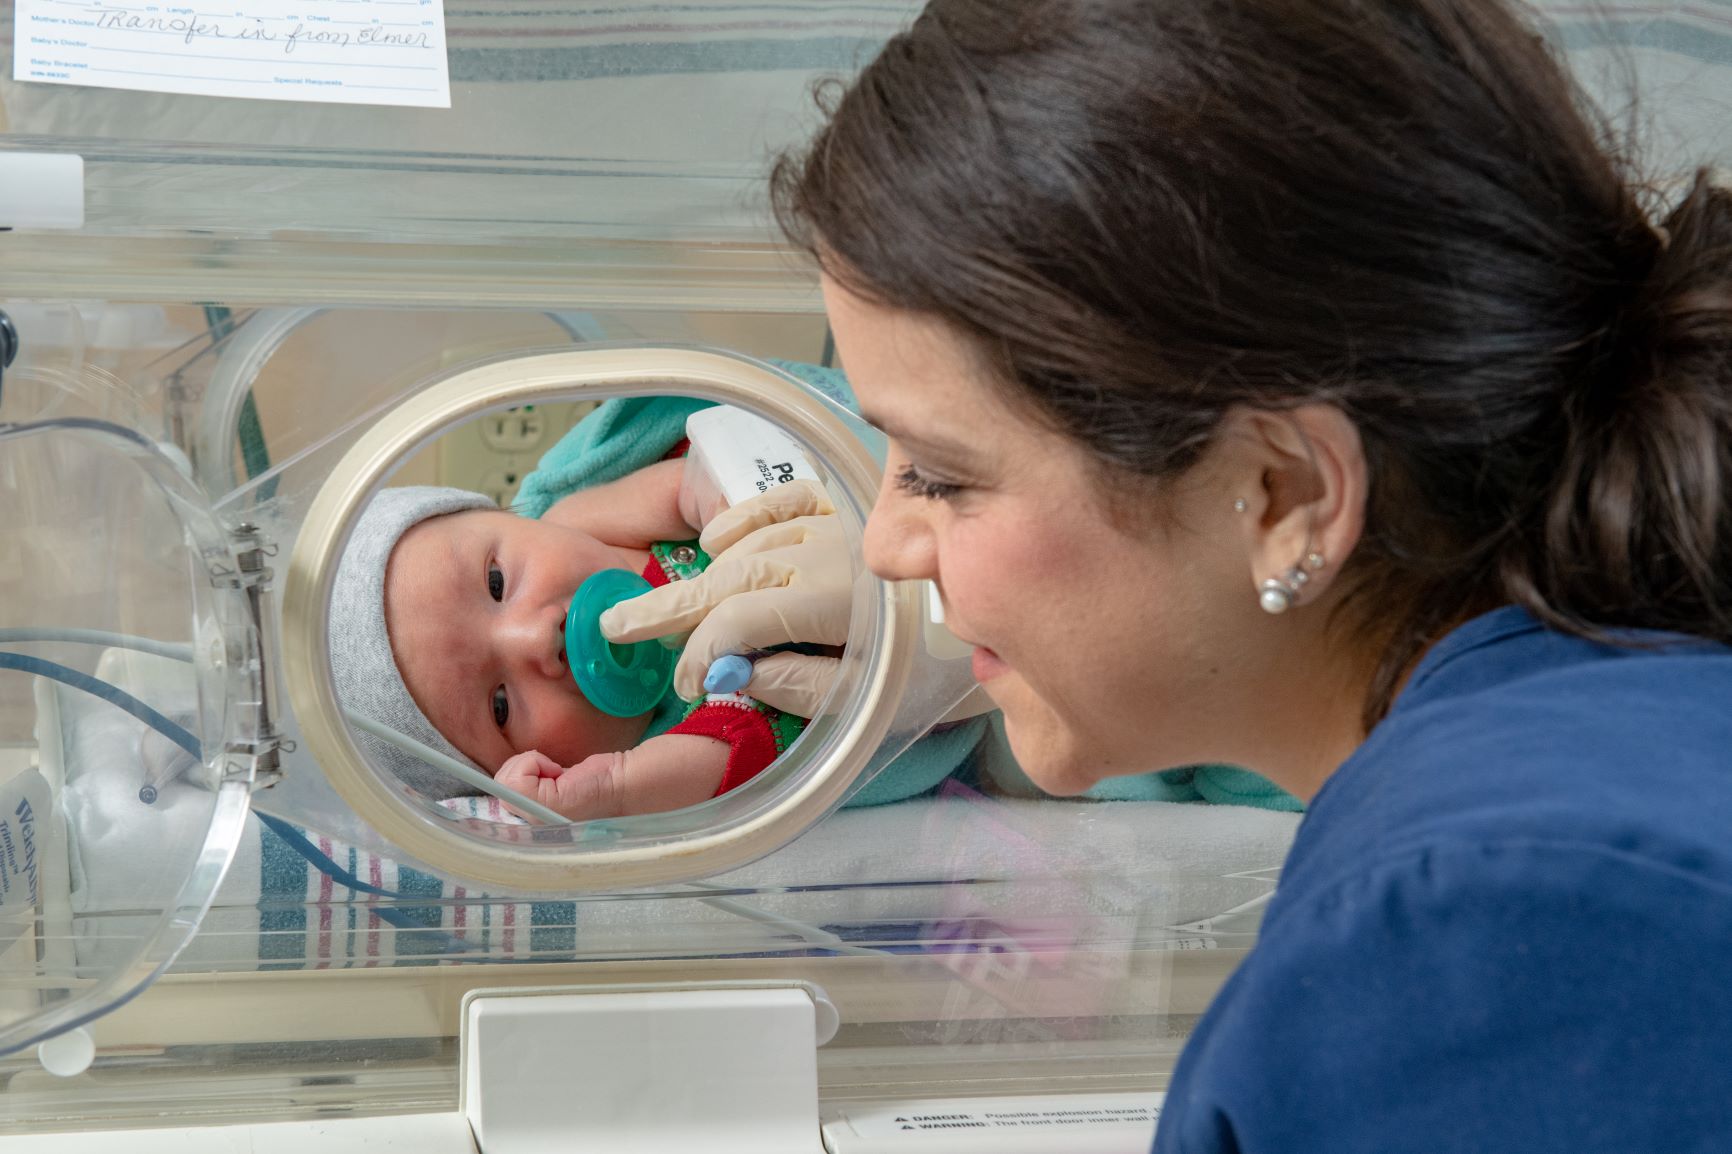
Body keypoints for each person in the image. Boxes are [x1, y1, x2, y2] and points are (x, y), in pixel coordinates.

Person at [604, 0, 1732, 1148]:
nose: (884, 542)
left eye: (939, 473)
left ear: (1284, 494)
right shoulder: (1594, 749)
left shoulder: (1490, 932)